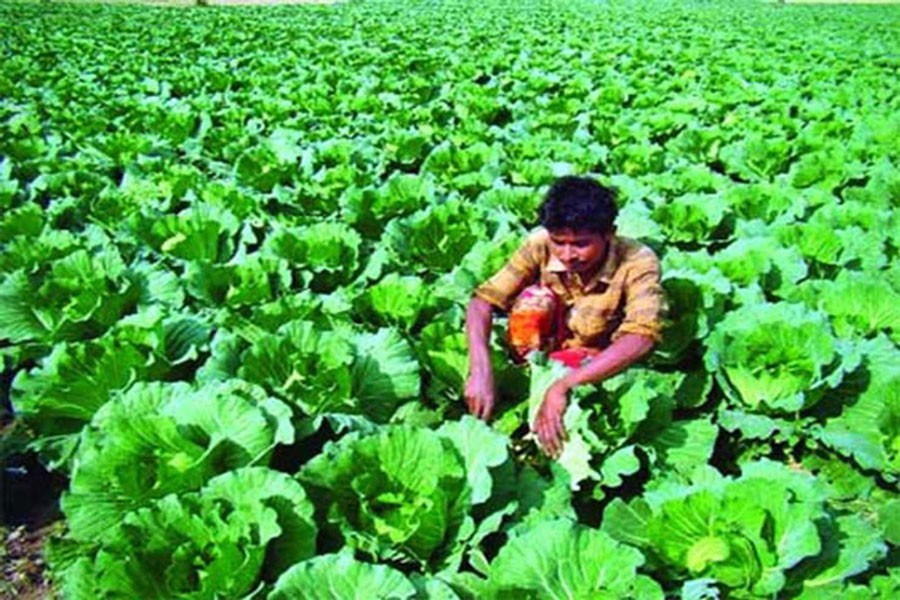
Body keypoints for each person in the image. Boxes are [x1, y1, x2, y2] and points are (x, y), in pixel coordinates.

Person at [465, 176, 664, 457]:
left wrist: (564, 385)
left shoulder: (638, 260)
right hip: (542, 348)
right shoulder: (540, 244)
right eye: (559, 242)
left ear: (609, 234)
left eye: (581, 244)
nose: (568, 255)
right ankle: (527, 373)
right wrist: (481, 368)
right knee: (535, 302)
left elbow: (642, 337)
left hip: (595, 359)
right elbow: (482, 302)